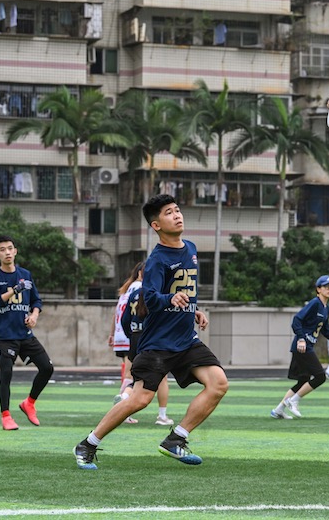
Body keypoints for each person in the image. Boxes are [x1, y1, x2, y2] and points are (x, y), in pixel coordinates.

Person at [73, 194, 228, 470]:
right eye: (169, 213)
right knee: (140, 400)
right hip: (158, 343)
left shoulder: (190, 249)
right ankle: (88, 444)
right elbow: (151, 298)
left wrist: (194, 310)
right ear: (156, 225)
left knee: (218, 384)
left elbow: (185, 293)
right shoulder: (156, 260)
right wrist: (171, 300)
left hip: (186, 340)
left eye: (177, 210)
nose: (177, 215)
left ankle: (176, 439)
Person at [0, 235, 54, 430]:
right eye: (3, 250)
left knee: (47, 368)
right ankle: (6, 416)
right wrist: (14, 290)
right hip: (4, 336)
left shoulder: (26, 274)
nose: (7, 252)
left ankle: (29, 403)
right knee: (6, 373)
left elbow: (36, 301)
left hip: (25, 335)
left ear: (15, 251)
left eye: (10, 248)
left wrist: (34, 316)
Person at [271, 276, 329, 419]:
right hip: (302, 347)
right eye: (326, 287)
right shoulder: (315, 303)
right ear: (318, 289)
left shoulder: (326, 307)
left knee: (303, 381)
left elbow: (325, 331)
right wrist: (301, 339)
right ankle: (293, 401)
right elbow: (296, 320)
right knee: (320, 376)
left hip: (304, 347)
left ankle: (278, 410)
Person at [114, 273, 174, 427]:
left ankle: (124, 396)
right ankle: (162, 415)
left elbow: (125, 319)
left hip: (135, 337)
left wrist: (131, 335)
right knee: (162, 378)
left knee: (134, 375)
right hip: (151, 339)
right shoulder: (158, 295)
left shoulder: (134, 293)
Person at [108, 261, 143, 424]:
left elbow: (118, 314)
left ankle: (124, 405)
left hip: (123, 334)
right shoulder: (138, 288)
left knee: (129, 373)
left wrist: (112, 334)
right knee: (132, 375)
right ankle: (123, 405)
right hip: (133, 334)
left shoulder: (126, 290)